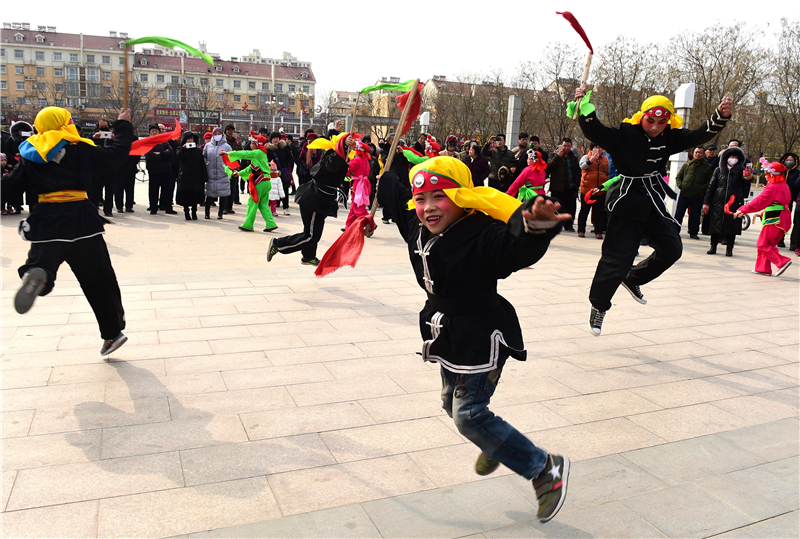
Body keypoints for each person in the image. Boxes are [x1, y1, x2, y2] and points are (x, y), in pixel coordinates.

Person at [377, 155, 572, 524]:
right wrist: (383, 179)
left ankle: (544, 468)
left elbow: (512, 248)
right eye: (421, 199)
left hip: (480, 332)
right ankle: (494, 442)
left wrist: (535, 229)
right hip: (446, 331)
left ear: (463, 196)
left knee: (468, 416)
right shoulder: (413, 222)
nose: (428, 208)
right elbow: (393, 190)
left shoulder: (481, 233)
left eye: (440, 196)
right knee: (450, 405)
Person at [571, 88, 731, 335]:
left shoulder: (670, 136)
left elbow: (699, 134)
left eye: (661, 121)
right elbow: (596, 132)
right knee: (617, 258)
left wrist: (719, 116)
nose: (655, 126)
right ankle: (599, 306)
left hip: (653, 201)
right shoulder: (625, 134)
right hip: (626, 200)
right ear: (641, 116)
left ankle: (633, 278)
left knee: (672, 249)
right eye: (650, 120)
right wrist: (584, 109)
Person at [2, 107, 134, 355]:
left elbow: (10, 187)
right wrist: (123, 125)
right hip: (83, 220)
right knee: (100, 282)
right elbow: (117, 154)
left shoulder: (32, 152)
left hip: (48, 220)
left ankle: (38, 277)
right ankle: (112, 334)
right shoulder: (82, 148)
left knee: (41, 262)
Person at [267, 132, 351, 266]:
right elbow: (333, 163)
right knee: (311, 236)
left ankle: (308, 256)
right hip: (314, 200)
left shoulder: (336, 158)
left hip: (321, 201)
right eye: (346, 148)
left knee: (313, 232)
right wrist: (344, 146)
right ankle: (278, 244)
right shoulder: (331, 158)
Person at [734, 159, 793, 276]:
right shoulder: (783, 185)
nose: (766, 176)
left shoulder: (773, 187)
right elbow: (778, 203)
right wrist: (762, 213)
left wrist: (743, 209)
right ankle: (762, 268)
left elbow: (760, 201)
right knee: (767, 244)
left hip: (775, 220)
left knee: (763, 244)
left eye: (767, 174)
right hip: (781, 217)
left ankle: (782, 261)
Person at [703, 146, 750, 256]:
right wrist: (706, 202)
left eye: (735, 157)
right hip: (718, 201)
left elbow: (746, 181)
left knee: (732, 226)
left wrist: (748, 176)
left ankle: (729, 248)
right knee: (715, 225)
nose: (733, 159)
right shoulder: (718, 170)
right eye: (731, 157)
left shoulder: (741, 171)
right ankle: (713, 246)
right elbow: (711, 186)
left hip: (734, 202)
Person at [675, 146, 714, 240]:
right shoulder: (687, 165)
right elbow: (678, 177)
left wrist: (701, 189)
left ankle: (693, 232)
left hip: (697, 196)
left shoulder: (707, 167)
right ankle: (675, 231)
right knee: (679, 214)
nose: (698, 154)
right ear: (693, 153)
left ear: (703, 154)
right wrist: (681, 186)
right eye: (696, 152)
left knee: (695, 215)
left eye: (700, 153)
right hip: (684, 194)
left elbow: (709, 181)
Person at [547, 138, 580, 232]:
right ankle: (556, 225)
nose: (566, 148)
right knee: (556, 207)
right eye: (564, 146)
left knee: (571, 208)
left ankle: (569, 225)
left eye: (568, 146)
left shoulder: (573, 157)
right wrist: (557, 156)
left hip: (570, 187)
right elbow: (549, 166)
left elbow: (577, 171)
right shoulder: (554, 155)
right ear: (561, 145)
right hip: (557, 187)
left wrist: (576, 184)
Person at [577, 143, 609, 239]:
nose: (598, 149)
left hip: (600, 190)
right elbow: (582, 167)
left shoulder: (605, 159)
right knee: (584, 210)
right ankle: (581, 230)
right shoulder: (586, 157)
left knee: (598, 212)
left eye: (600, 147)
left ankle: (598, 231)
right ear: (591, 149)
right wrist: (591, 161)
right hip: (587, 189)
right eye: (596, 147)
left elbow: (608, 172)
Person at [175, 132, 208, 221]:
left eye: (192, 139)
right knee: (185, 195)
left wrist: (205, 176)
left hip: (196, 177)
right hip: (185, 177)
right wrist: (183, 149)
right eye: (188, 139)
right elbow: (178, 157)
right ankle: (186, 212)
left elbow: (202, 164)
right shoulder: (180, 149)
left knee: (195, 196)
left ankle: (194, 211)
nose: (190, 140)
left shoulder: (198, 151)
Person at [144, 123, 176, 215]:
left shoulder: (164, 142)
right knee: (153, 190)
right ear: (149, 132)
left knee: (167, 190)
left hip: (166, 170)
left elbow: (171, 153)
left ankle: (168, 207)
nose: (155, 133)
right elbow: (150, 156)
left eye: (156, 131)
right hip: (153, 170)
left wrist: (160, 153)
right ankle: (153, 208)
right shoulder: (148, 142)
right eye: (153, 131)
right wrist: (164, 155)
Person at [202, 127, 231, 219]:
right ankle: (207, 213)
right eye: (215, 134)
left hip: (222, 174)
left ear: (222, 135)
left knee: (223, 195)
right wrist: (206, 166)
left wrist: (227, 169)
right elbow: (204, 157)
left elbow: (231, 159)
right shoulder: (208, 146)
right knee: (209, 195)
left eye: (219, 133)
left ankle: (220, 213)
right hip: (210, 173)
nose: (217, 135)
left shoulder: (227, 147)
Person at [90, 119, 117, 217]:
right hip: (97, 168)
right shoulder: (94, 136)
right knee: (95, 190)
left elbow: (119, 149)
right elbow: (87, 146)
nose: (103, 129)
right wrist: (94, 137)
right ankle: (93, 209)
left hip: (110, 168)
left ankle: (108, 210)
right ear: (98, 127)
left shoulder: (114, 137)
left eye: (105, 126)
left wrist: (114, 140)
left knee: (110, 190)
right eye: (101, 126)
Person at [344, 139, 372, 230]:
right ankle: (349, 226)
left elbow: (347, 169)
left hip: (358, 185)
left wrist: (345, 165)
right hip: (364, 184)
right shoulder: (365, 161)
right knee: (353, 206)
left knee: (357, 207)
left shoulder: (356, 160)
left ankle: (371, 223)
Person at [268, 131, 294, 216]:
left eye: (277, 138)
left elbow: (290, 159)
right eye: (274, 138)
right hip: (273, 173)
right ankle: (273, 207)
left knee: (285, 190)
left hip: (283, 172)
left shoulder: (284, 147)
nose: (275, 140)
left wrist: (288, 168)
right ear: (271, 140)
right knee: (273, 190)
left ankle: (285, 207)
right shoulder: (269, 150)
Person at [781, 153, 800, 255]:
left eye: (791, 160)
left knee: (786, 221)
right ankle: (778, 239)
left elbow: (796, 186)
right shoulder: (780, 171)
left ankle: (789, 241)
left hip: (789, 200)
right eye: (787, 159)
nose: (789, 161)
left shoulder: (796, 173)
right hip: (778, 200)